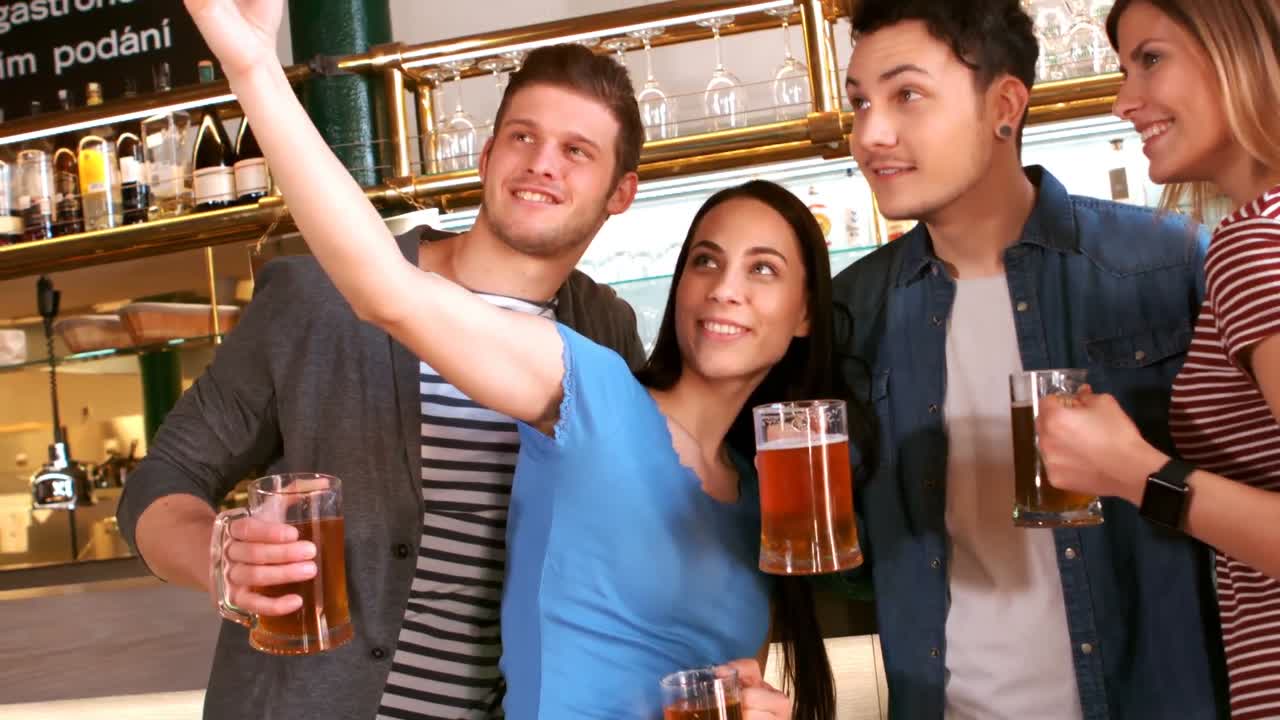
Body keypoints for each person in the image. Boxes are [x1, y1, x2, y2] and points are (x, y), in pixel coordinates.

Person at [178, 0, 850, 717]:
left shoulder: (764, 499)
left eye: (765, 271)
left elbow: (725, 670)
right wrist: (254, 71)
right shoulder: (593, 389)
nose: (725, 291)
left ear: (807, 312)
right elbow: (386, 290)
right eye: (706, 261)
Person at [116, 42, 650, 720]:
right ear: (486, 158)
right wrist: (216, 555)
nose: (541, 162)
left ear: (621, 192)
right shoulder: (316, 300)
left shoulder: (603, 331)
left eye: (577, 150)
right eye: (523, 136)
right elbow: (161, 479)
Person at [829, 0, 1229, 717]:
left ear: (1004, 105)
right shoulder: (854, 309)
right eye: (858, 102)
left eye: (906, 95)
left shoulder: (1168, 265)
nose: (870, 135)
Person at [1037, 1, 1280, 716]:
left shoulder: (1253, 247)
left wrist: (1138, 474)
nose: (1123, 101)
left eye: (1151, 59)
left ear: (1241, 50)